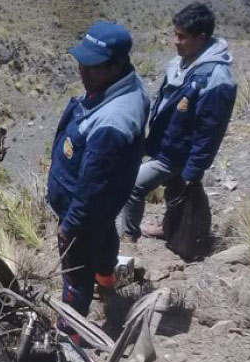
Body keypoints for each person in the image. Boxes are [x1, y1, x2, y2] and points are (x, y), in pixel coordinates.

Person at [47, 21, 149, 324]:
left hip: (84, 210)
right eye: (82, 62)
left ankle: (71, 336)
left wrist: (71, 226)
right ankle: (107, 281)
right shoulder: (126, 84)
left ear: (117, 65)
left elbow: (93, 186)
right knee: (104, 236)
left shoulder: (112, 123)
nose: (83, 71)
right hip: (102, 209)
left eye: (93, 66)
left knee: (75, 277)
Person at [117, 2, 237, 241]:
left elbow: (210, 132)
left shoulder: (216, 78)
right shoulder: (183, 63)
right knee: (175, 189)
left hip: (177, 154)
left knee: (133, 187)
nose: (175, 41)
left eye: (181, 36)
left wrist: (194, 169)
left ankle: (127, 240)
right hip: (168, 144)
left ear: (200, 38)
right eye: (175, 34)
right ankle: (170, 227)